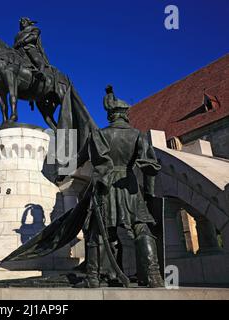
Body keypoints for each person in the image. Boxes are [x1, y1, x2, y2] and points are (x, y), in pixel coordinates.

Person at [76, 86, 164, 288]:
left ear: (110, 115)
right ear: (125, 115)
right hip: (130, 184)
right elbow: (150, 166)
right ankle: (153, 276)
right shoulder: (138, 135)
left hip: (106, 185)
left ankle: (93, 277)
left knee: (99, 232)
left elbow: (91, 160)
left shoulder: (99, 135)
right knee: (142, 229)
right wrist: (148, 193)